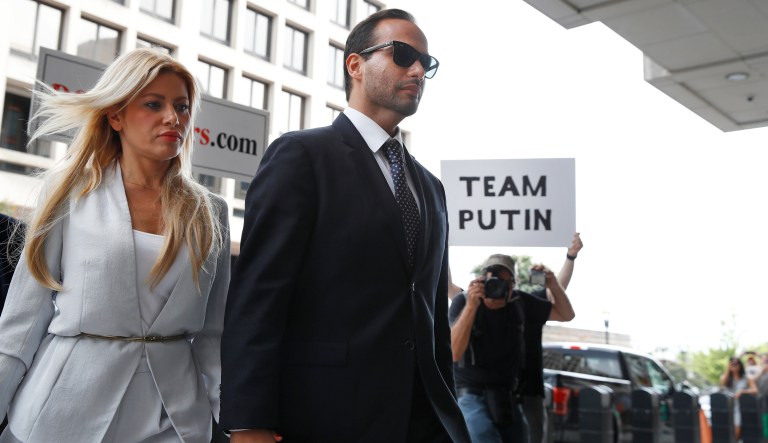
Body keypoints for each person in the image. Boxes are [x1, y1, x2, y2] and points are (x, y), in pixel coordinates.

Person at [219, 8, 469, 443]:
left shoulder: (430, 187)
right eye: (403, 54)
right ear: (355, 64)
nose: (417, 70)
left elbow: (430, 321)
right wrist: (247, 421)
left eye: (425, 63)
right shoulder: (301, 156)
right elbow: (257, 299)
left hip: (425, 422)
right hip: (326, 416)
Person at [0, 48, 230, 443]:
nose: (173, 118)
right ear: (116, 115)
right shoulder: (69, 192)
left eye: (182, 106)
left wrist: (234, 419)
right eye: (154, 104)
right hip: (64, 409)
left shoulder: (211, 211)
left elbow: (214, 333)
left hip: (174, 416)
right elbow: (22, 321)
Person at [449, 254, 574, 443]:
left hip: (507, 396)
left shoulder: (519, 302)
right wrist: (471, 307)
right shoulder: (464, 301)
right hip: (471, 393)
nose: (497, 289)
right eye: (492, 282)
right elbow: (454, 353)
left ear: (512, 286)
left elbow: (566, 315)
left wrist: (553, 284)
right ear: (482, 281)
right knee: (482, 436)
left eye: (503, 283)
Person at [519, 233, 581, 443]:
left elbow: (557, 293)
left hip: (528, 390)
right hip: (491, 390)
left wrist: (570, 257)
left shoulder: (526, 303)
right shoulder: (475, 304)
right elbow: (450, 288)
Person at [719, 356, 757, 441]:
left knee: (737, 427)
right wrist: (729, 370)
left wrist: (742, 391)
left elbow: (755, 390)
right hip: (727, 408)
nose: (734, 365)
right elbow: (721, 387)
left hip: (739, 408)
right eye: (732, 363)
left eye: (736, 363)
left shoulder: (746, 378)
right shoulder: (726, 378)